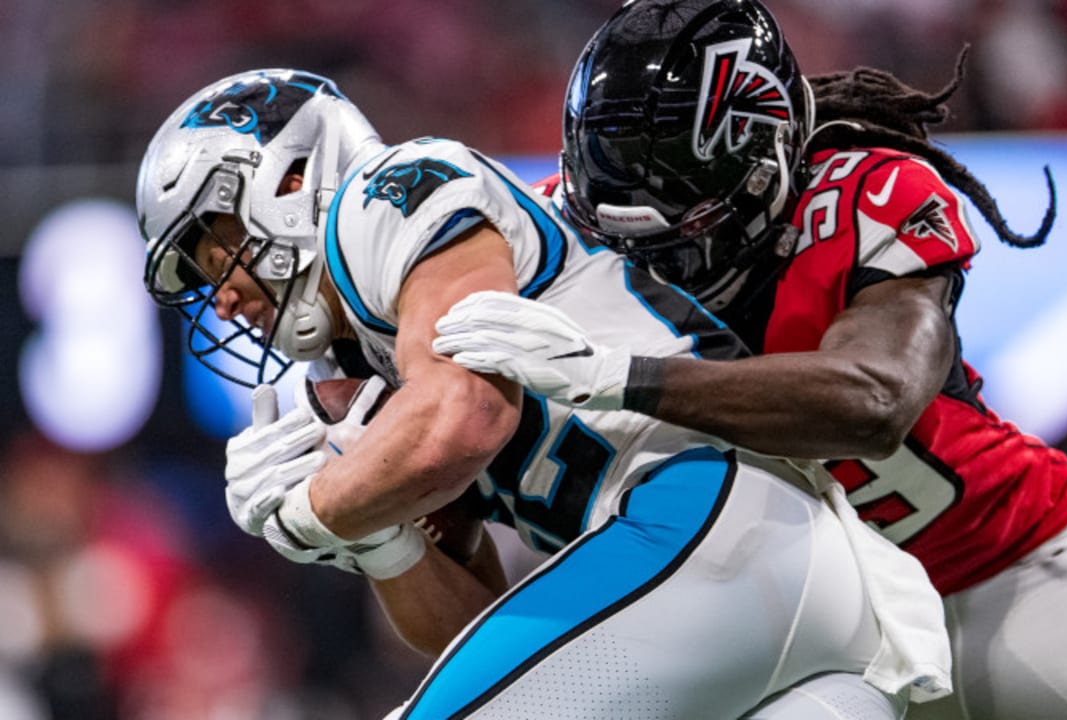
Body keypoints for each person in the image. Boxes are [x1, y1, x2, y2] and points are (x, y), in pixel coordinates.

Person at [429, 1, 1067, 718]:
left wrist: (618, 376)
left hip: (1003, 568)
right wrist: (367, 516)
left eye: (682, 226)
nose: (652, 261)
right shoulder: (546, 249)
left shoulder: (862, 192)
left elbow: (874, 400)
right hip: (802, 633)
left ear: (764, 159)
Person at [135, 67, 953, 719]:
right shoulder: (351, 377)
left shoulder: (386, 195)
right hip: (752, 598)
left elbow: (467, 415)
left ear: (290, 180)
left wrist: (304, 508)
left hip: (718, 525)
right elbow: (475, 631)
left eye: (217, 253)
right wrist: (377, 538)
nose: (226, 298)